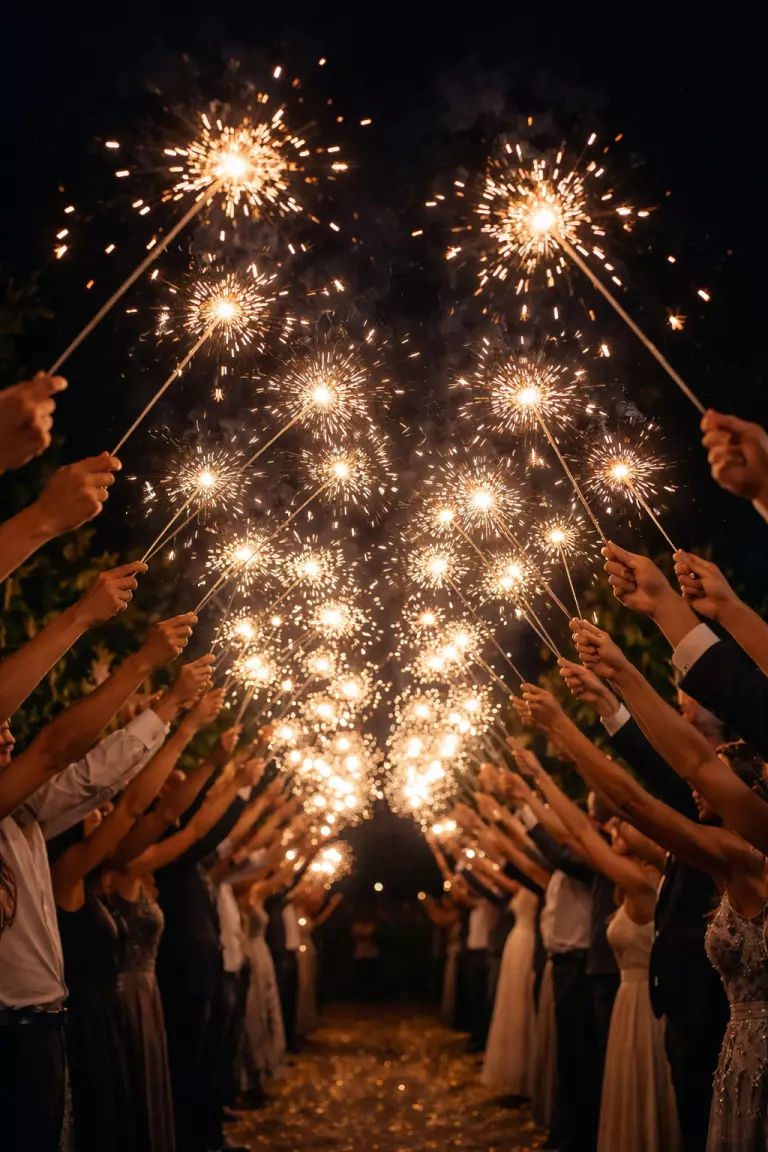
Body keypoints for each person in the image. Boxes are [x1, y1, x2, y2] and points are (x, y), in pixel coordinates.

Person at [524, 622, 768, 1152]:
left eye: (720, 781)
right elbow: (680, 772)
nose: (701, 787)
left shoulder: (738, 860)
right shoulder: (726, 858)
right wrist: (611, 686)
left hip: (724, 1033)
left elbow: (643, 796)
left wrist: (568, 728)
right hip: (725, 1042)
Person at [0, 605, 196, 1152]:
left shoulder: (26, 816)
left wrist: (173, 707)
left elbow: (95, 777)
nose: (8, 735)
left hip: (43, 1029)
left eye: (11, 726)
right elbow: (54, 753)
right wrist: (135, 662)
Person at [511, 739, 681, 1152]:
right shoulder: (629, 875)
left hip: (639, 1001)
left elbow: (580, 832)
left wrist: (539, 776)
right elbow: (578, 831)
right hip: (621, 997)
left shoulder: (640, 881)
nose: (613, 828)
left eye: (624, 825)